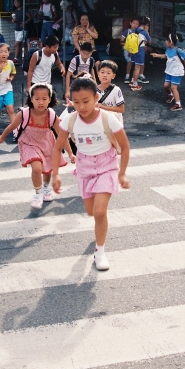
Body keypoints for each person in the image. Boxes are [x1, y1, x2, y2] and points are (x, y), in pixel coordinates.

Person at [51, 77, 131, 271]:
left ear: (96, 97)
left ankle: (100, 251)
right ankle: (99, 231)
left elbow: (125, 147)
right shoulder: (70, 119)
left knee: (99, 211)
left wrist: (122, 174)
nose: (81, 107)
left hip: (106, 166)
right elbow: (57, 147)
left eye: (86, 101)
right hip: (84, 168)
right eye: (76, 102)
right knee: (90, 212)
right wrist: (56, 175)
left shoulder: (107, 118)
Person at [0, 83, 67, 209]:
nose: (41, 102)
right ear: (31, 99)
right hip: (29, 142)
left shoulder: (51, 115)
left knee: (47, 168)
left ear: (49, 99)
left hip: (46, 142)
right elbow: (12, 126)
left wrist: (70, 153)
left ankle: (46, 188)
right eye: (37, 99)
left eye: (44, 99)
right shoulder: (24, 114)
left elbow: (61, 134)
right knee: (37, 168)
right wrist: (2, 137)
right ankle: (38, 194)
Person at [151, 33, 185, 111]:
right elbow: (166, 56)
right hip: (169, 71)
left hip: (177, 71)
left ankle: (178, 104)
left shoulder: (179, 50)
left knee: (173, 87)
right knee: (166, 86)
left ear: (171, 42)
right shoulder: (168, 49)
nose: (165, 41)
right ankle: (170, 95)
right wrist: (157, 55)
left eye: (167, 40)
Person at [123, 16, 151, 90]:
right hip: (140, 50)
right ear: (145, 24)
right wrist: (147, 31)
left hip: (133, 50)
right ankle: (135, 84)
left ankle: (132, 80)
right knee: (137, 68)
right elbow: (149, 41)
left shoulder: (134, 30)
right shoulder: (143, 32)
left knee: (135, 65)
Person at [12, 0, 30, 64]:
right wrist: (13, 20)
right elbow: (14, 19)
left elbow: (29, 18)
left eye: (17, 2)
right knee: (23, 44)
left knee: (17, 43)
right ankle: (26, 57)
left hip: (23, 29)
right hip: (17, 28)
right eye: (14, 2)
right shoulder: (15, 11)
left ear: (20, 2)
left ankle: (16, 58)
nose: (16, 3)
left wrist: (24, 23)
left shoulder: (24, 10)